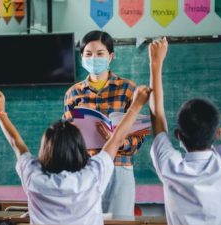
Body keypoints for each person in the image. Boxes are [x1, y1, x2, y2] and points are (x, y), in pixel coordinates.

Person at [0, 86, 151, 225]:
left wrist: (0, 113)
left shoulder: (33, 174)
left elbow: (16, 143)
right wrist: (135, 106)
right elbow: (116, 140)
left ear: (45, 149)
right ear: (80, 148)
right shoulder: (92, 174)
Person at [148, 32, 221, 224]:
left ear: (178, 135)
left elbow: (157, 114)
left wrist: (155, 63)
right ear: (219, 133)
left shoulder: (170, 165)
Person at [63, 30, 145, 216]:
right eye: (88, 54)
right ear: (82, 56)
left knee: (120, 220)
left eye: (100, 53)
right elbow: (65, 138)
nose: (94, 58)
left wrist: (116, 141)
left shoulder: (128, 89)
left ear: (111, 56)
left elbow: (138, 138)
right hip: (85, 170)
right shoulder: (73, 93)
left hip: (119, 167)